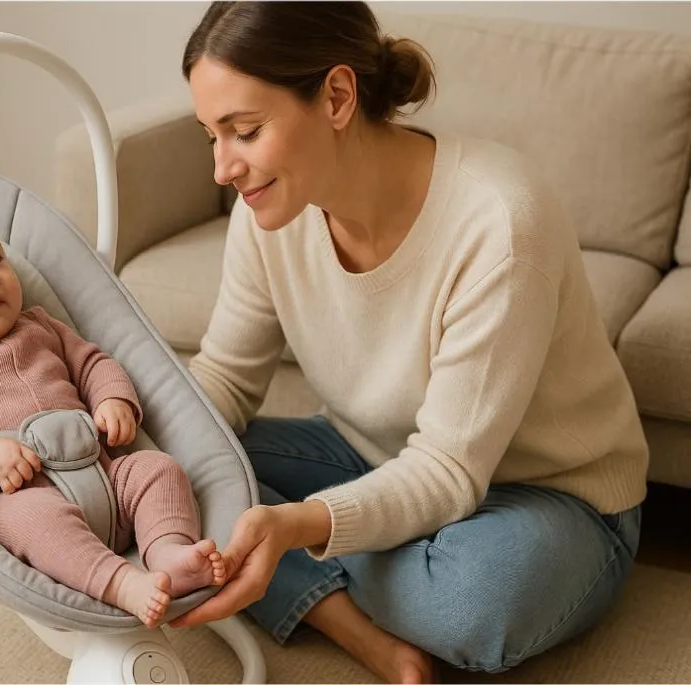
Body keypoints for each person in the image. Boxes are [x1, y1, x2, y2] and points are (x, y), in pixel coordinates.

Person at [168, 2, 648, 682]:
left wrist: (292, 527)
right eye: (210, 137)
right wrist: (133, 433)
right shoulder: (272, 212)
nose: (223, 168)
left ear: (337, 96)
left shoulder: (500, 222)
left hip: (550, 496)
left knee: (470, 604)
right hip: (369, 456)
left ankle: (311, 565)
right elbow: (225, 378)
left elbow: (449, 470)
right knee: (166, 469)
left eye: (243, 131)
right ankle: (352, 624)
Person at [0, 192, 226, 628]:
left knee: (158, 468)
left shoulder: (39, 325)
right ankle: (120, 582)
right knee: (36, 520)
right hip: (18, 493)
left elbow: (93, 363)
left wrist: (113, 398)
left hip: (103, 473)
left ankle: (167, 552)